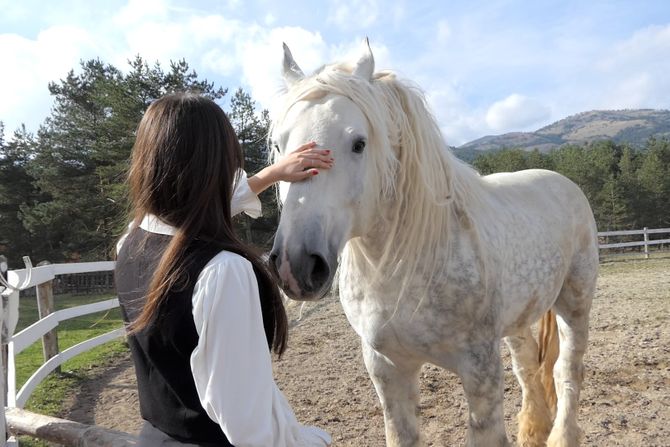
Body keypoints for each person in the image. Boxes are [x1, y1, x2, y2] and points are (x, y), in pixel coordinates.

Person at [115, 92, 333, 446]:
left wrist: (272, 174)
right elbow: (251, 431)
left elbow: (193, 212)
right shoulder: (223, 272)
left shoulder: (130, 242)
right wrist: (317, 440)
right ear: (218, 165)